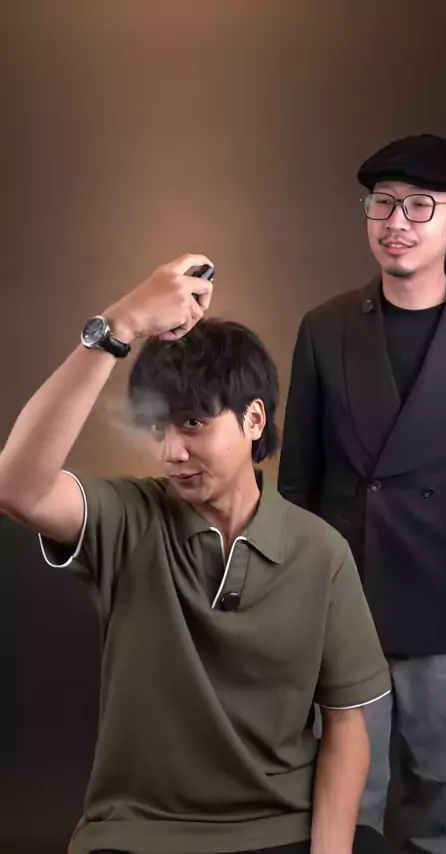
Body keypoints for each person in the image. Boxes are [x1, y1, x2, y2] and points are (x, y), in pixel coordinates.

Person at [0, 253, 391, 854]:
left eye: (192, 424)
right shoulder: (128, 519)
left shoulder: (321, 552)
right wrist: (119, 325)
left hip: (283, 827)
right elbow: (16, 487)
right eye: (159, 428)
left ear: (253, 419)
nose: (171, 453)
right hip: (138, 834)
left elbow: (345, 725)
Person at [278, 134, 446, 854]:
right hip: (344, 600)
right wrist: (296, 600)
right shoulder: (324, 327)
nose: (396, 221)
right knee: (344, 795)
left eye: (420, 206)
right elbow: (296, 483)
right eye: (383, 203)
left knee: (439, 791)